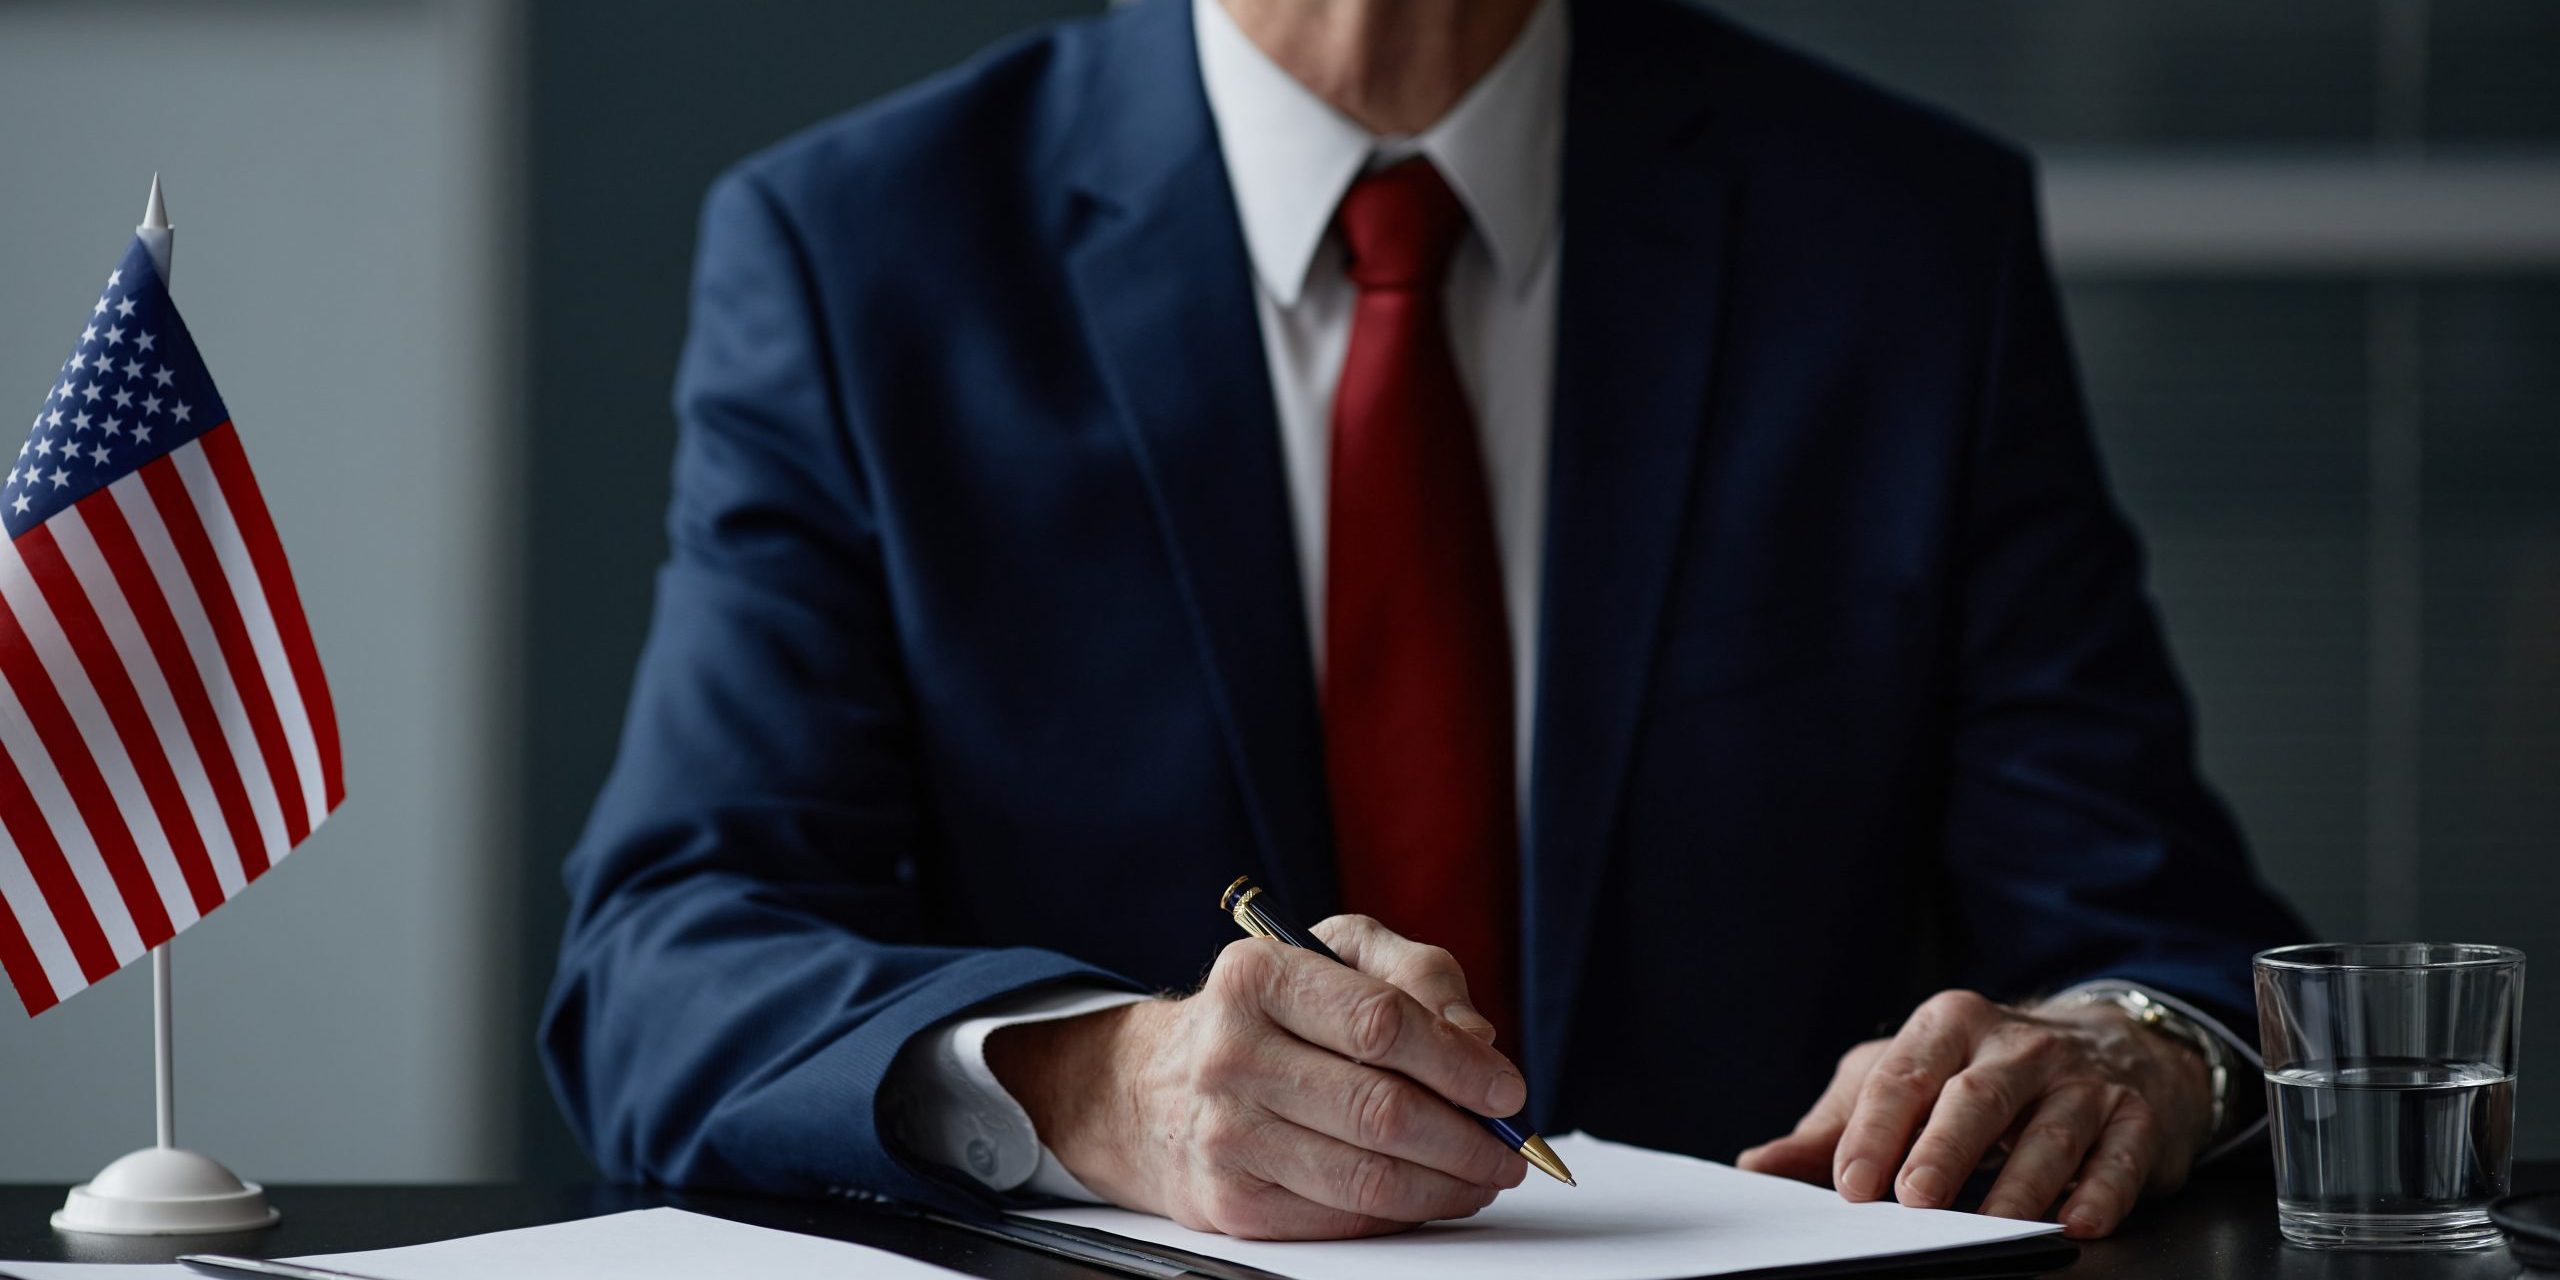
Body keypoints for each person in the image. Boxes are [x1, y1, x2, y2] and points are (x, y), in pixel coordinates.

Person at [541, 0, 2307, 1244]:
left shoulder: (1902, 241)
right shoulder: (859, 254)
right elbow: (661, 975)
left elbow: (2167, 940)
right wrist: (1099, 1088)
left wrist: (2127, 1052)